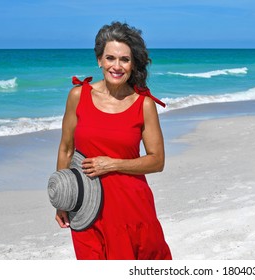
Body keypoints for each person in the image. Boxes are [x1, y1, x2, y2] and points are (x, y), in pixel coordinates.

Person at [55, 21, 172, 260]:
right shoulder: (78, 96)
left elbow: (157, 161)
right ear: (99, 60)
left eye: (124, 60)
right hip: (86, 207)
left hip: (132, 208)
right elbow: (66, 149)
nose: (116, 66)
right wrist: (62, 198)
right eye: (110, 58)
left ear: (133, 64)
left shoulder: (144, 104)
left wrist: (113, 164)